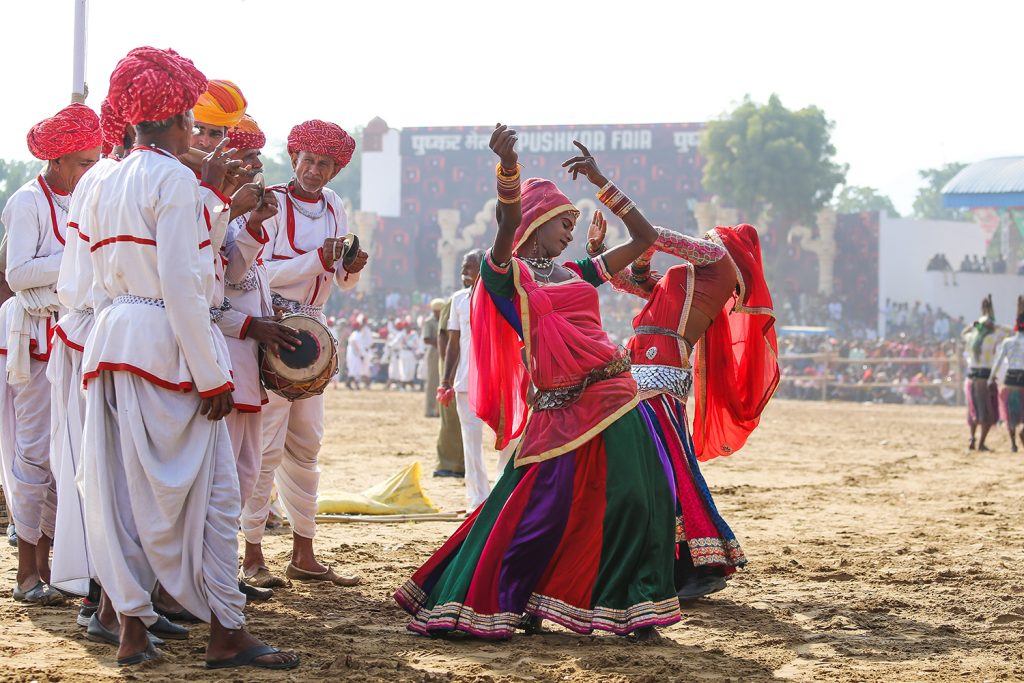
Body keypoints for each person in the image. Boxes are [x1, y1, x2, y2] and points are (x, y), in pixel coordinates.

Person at [395, 124, 679, 640]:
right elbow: (505, 223)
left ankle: (637, 605)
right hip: (558, 409)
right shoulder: (504, 277)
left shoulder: (578, 273)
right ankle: (518, 595)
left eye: (573, 222)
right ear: (537, 222)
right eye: (562, 223)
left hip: (615, 392)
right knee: (538, 513)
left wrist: (602, 182)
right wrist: (509, 172)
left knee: (644, 494)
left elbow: (646, 238)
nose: (570, 231)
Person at [79, 46, 297, 669]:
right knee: (215, 492)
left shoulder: (102, 177)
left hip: (110, 341)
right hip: (164, 344)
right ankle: (226, 631)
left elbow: (103, 279)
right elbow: (181, 282)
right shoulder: (172, 177)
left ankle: (130, 628)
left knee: (121, 491)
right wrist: (211, 375)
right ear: (175, 119)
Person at [589, 222, 777, 599]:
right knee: (659, 465)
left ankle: (699, 564)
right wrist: (599, 252)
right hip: (641, 371)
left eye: (710, 235)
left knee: (666, 464)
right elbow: (631, 282)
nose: (703, 239)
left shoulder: (718, 263)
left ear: (727, 246)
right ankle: (684, 564)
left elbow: (656, 234)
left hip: (660, 374)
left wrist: (606, 188)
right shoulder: (685, 281)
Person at [239, 119, 368, 589]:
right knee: (265, 445)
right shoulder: (269, 202)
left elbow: (342, 277)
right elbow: (259, 274)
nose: (314, 170)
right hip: (272, 328)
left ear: (336, 170)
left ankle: (304, 552)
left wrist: (350, 266)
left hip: (314, 330)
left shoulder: (335, 206)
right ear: (294, 158)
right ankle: (252, 555)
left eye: (324, 164)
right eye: (308, 160)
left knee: (308, 443)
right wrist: (321, 258)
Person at [0, 103, 100, 606]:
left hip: (71, 335)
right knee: (35, 452)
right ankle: (25, 574)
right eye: (83, 162)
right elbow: (16, 275)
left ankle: (58, 566)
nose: (90, 170)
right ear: (57, 160)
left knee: (71, 455)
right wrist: (80, 259)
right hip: (32, 339)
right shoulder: (26, 202)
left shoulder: (81, 198)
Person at [217, 113, 301, 598]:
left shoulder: (232, 218)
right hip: (221, 363)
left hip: (246, 364)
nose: (253, 167)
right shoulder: (205, 213)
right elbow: (213, 292)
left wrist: (249, 220)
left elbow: (241, 272)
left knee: (245, 472)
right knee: (226, 472)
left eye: (255, 158)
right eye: (245, 158)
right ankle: (218, 577)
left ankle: (225, 574)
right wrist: (238, 215)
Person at [438, 249, 517, 508]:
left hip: (501, 380)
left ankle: (500, 497)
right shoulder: (458, 300)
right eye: (462, 268)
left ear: (483, 269)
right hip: (465, 382)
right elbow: (453, 343)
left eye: (468, 268)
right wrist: (446, 380)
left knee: (510, 438)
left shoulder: (504, 297)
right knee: (471, 443)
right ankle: (477, 502)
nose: (463, 274)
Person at [961, 295, 1010, 452]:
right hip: (984, 379)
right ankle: (981, 443)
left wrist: (975, 324)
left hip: (971, 379)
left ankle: (972, 438)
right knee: (987, 414)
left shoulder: (971, 338)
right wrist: (995, 323)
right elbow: (1009, 332)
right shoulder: (992, 338)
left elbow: (964, 332)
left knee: (973, 410)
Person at [433, 295, 465, 477]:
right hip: (453, 369)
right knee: (451, 417)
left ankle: (460, 464)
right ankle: (449, 464)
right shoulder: (455, 300)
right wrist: (449, 372)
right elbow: (444, 337)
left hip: (466, 367)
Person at [991, 296, 1024, 452]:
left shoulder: (1007, 342)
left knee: (1011, 415)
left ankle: (1013, 444)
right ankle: (1022, 434)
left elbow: (998, 361)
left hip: (1010, 380)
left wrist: (991, 378)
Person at [422, 299, 444, 417]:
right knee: (432, 381)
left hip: (445, 351)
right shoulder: (429, 322)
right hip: (434, 352)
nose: (437, 313)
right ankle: (430, 409)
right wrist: (440, 342)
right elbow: (426, 339)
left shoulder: (446, 320)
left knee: (443, 381)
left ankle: (439, 410)